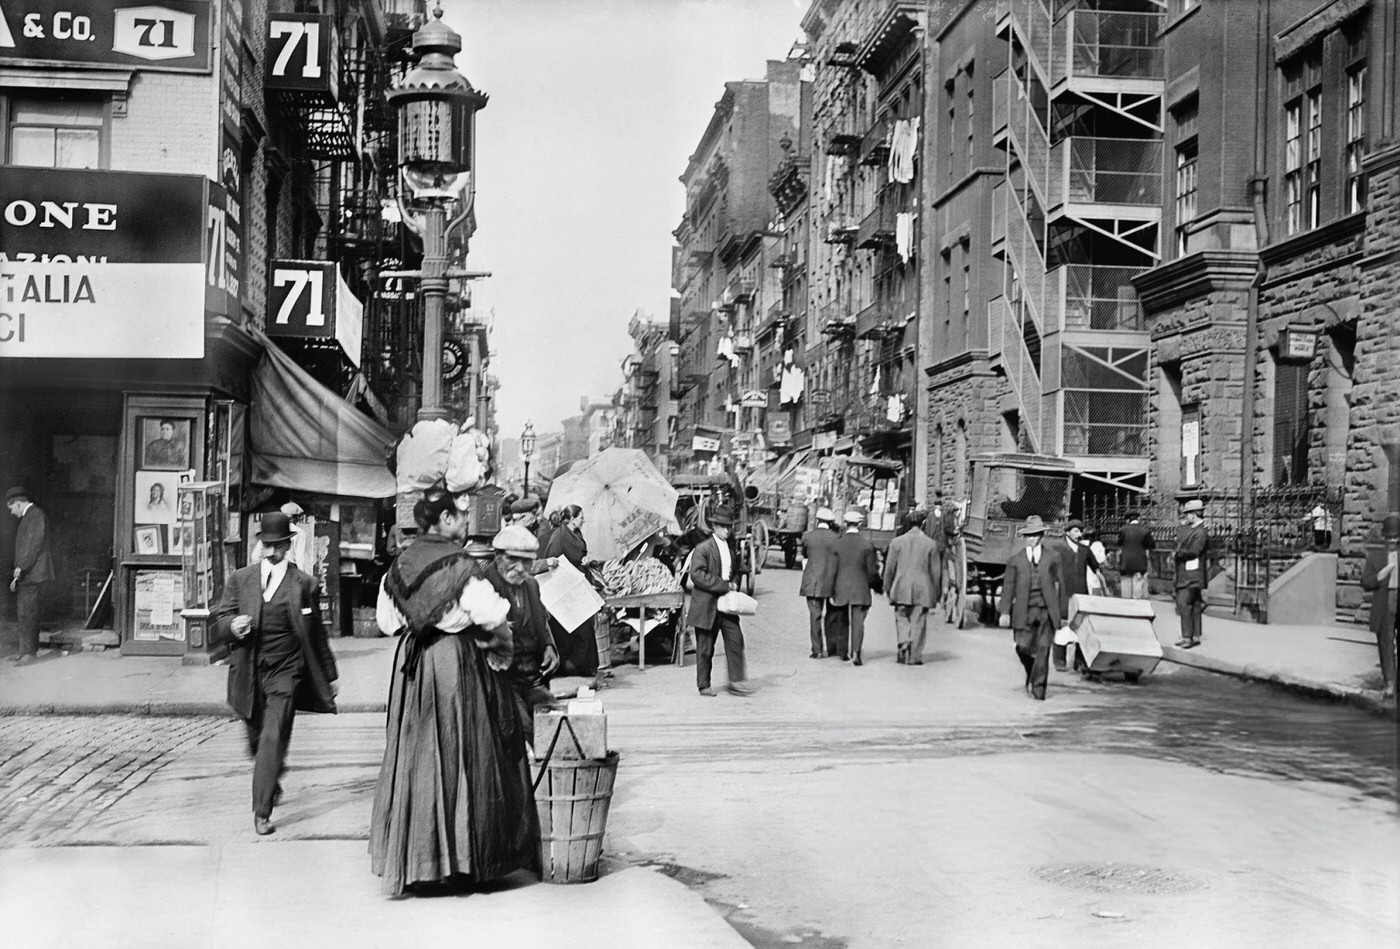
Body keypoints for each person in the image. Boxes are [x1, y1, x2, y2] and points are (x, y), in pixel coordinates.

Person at [369, 488, 539, 896]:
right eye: (460, 517)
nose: (465, 523)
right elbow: (492, 613)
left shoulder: (399, 565)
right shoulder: (460, 565)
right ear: (444, 519)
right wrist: (498, 641)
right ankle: (462, 862)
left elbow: (386, 622)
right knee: (464, 751)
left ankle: (422, 862)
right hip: (456, 664)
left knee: (417, 755)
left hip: (414, 667)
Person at [209, 513, 339, 837]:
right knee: (257, 740)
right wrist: (232, 626)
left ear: (287, 544)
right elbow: (221, 618)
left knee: (272, 735)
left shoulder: (304, 584)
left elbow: (316, 635)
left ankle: (261, 812)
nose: (270, 552)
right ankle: (272, 773)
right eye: (265, 545)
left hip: (287, 670)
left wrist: (330, 674)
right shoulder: (242, 579)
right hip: (250, 669)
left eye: (276, 546)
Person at [485, 523, 562, 733]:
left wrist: (548, 645)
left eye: (526, 561)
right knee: (522, 732)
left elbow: (541, 619)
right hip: (503, 682)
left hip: (533, 678)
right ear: (498, 556)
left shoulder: (531, 585)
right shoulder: (484, 587)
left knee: (559, 729)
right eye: (512, 559)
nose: (520, 567)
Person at [998, 515, 1065, 700]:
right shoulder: (1015, 560)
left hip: (1045, 611)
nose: (1032, 538)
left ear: (1041, 536)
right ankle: (1031, 670)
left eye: (1035, 535)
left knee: (1043, 649)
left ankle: (1039, 689)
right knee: (1022, 647)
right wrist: (1004, 612)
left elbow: (1060, 585)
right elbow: (1008, 586)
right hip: (1024, 611)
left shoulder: (1053, 557)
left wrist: (1062, 613)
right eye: (1029, 535)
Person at [686, 504, 749, 696]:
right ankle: (703, 684)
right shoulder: (703, 548)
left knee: (736, 640)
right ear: (714, 527)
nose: (726, 530)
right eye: (722, 526)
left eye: (729, 526)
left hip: (727, 605)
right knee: (705, 647)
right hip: (706, 604)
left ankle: (736, 681)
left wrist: (735, 583)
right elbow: (697, 575)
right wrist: (723, 585)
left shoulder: (730, 549)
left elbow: (737, 571)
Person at [883, 509, 941, 665]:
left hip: (901, 587)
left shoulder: (897, 542)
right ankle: (914, 655)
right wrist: (936, 593)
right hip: (923, 589)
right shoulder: (931, 544)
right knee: (918, 621)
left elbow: (889, 569)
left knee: (901, 618)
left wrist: (887, 588)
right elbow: (936, 573)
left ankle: (903, 643)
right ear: (923, 523)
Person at [6, 487, 55, 665]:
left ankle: (29, 654)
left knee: (29, 613)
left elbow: (33, 545)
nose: (12, 513)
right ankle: (25, 651)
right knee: (24, 613)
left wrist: (21, 567)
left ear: (17, 504)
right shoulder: (31, 516)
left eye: (12, 508)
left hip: (33, 573)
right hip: (30, 573)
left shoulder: (35, 515)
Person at [830, 509, 881, 665]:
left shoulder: (837, 543)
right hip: (860, 588)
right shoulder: (867, 545)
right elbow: (872, 571)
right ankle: (856, 652)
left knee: (842, 620)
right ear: (860, 524)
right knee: (858, 622)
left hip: (841, 587)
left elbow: (832, 568)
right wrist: (876, 586)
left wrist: (832, 588)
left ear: (845, 524)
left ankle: (843, 652)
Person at [1359, 512, 1400, 699]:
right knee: (1386, 642)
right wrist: (1379, 576)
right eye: (1389, 537)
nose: (1392, 540)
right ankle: (1389, 682)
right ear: (1384, 536)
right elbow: (1365, 581)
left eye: (1396, 537)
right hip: (1385, 600)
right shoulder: (1376, 556)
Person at [798, 507, 840, 659]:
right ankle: (833, 647)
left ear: (817, 521)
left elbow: (805, 554)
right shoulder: (836, 538)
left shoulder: (808, 537)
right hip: (831, 582)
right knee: (832, 614)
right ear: (830, 522)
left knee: (815, 615)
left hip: (813, 582)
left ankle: (817, 650)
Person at [1174, 498, 1209, 649]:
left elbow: (1194, 551)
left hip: (1191, 575)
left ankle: (1187, 637)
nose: (1186, 517)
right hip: (1192, 574)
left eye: (1187, 514)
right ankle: (1195, 635)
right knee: (1194, 604)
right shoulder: (1195, 529)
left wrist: (1179, 553)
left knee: (1184, 603)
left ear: (1194, 515)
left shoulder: (1200, 532)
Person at [1117, 513, 1155, 599]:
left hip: (1125, 562)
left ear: (1128, 520)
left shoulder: (1123, 530)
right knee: (1138, 584)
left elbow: (1119, 543)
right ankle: (1137, 603)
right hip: (1140, 563)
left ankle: (1126, 604)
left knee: (1126, 584)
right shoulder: (1145, 530)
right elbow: (1151, 545)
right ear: (1138, 519)